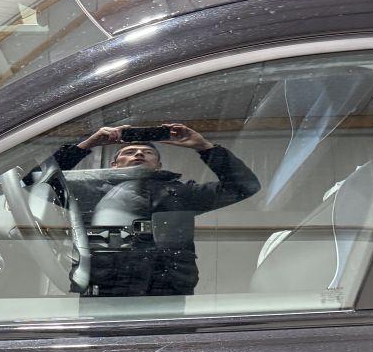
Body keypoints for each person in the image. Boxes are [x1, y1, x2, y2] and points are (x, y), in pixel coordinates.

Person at [53, 122, 260, 297]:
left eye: (148, 152)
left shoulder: (181, 193)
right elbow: (40, 182)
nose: (139, 154)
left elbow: (243, 187)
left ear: (158, 165)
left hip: (167, 290)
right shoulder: (89, 192)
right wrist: (88, 144)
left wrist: (204, 147)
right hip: (105, 289)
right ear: (114, 164)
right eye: (129, 152)